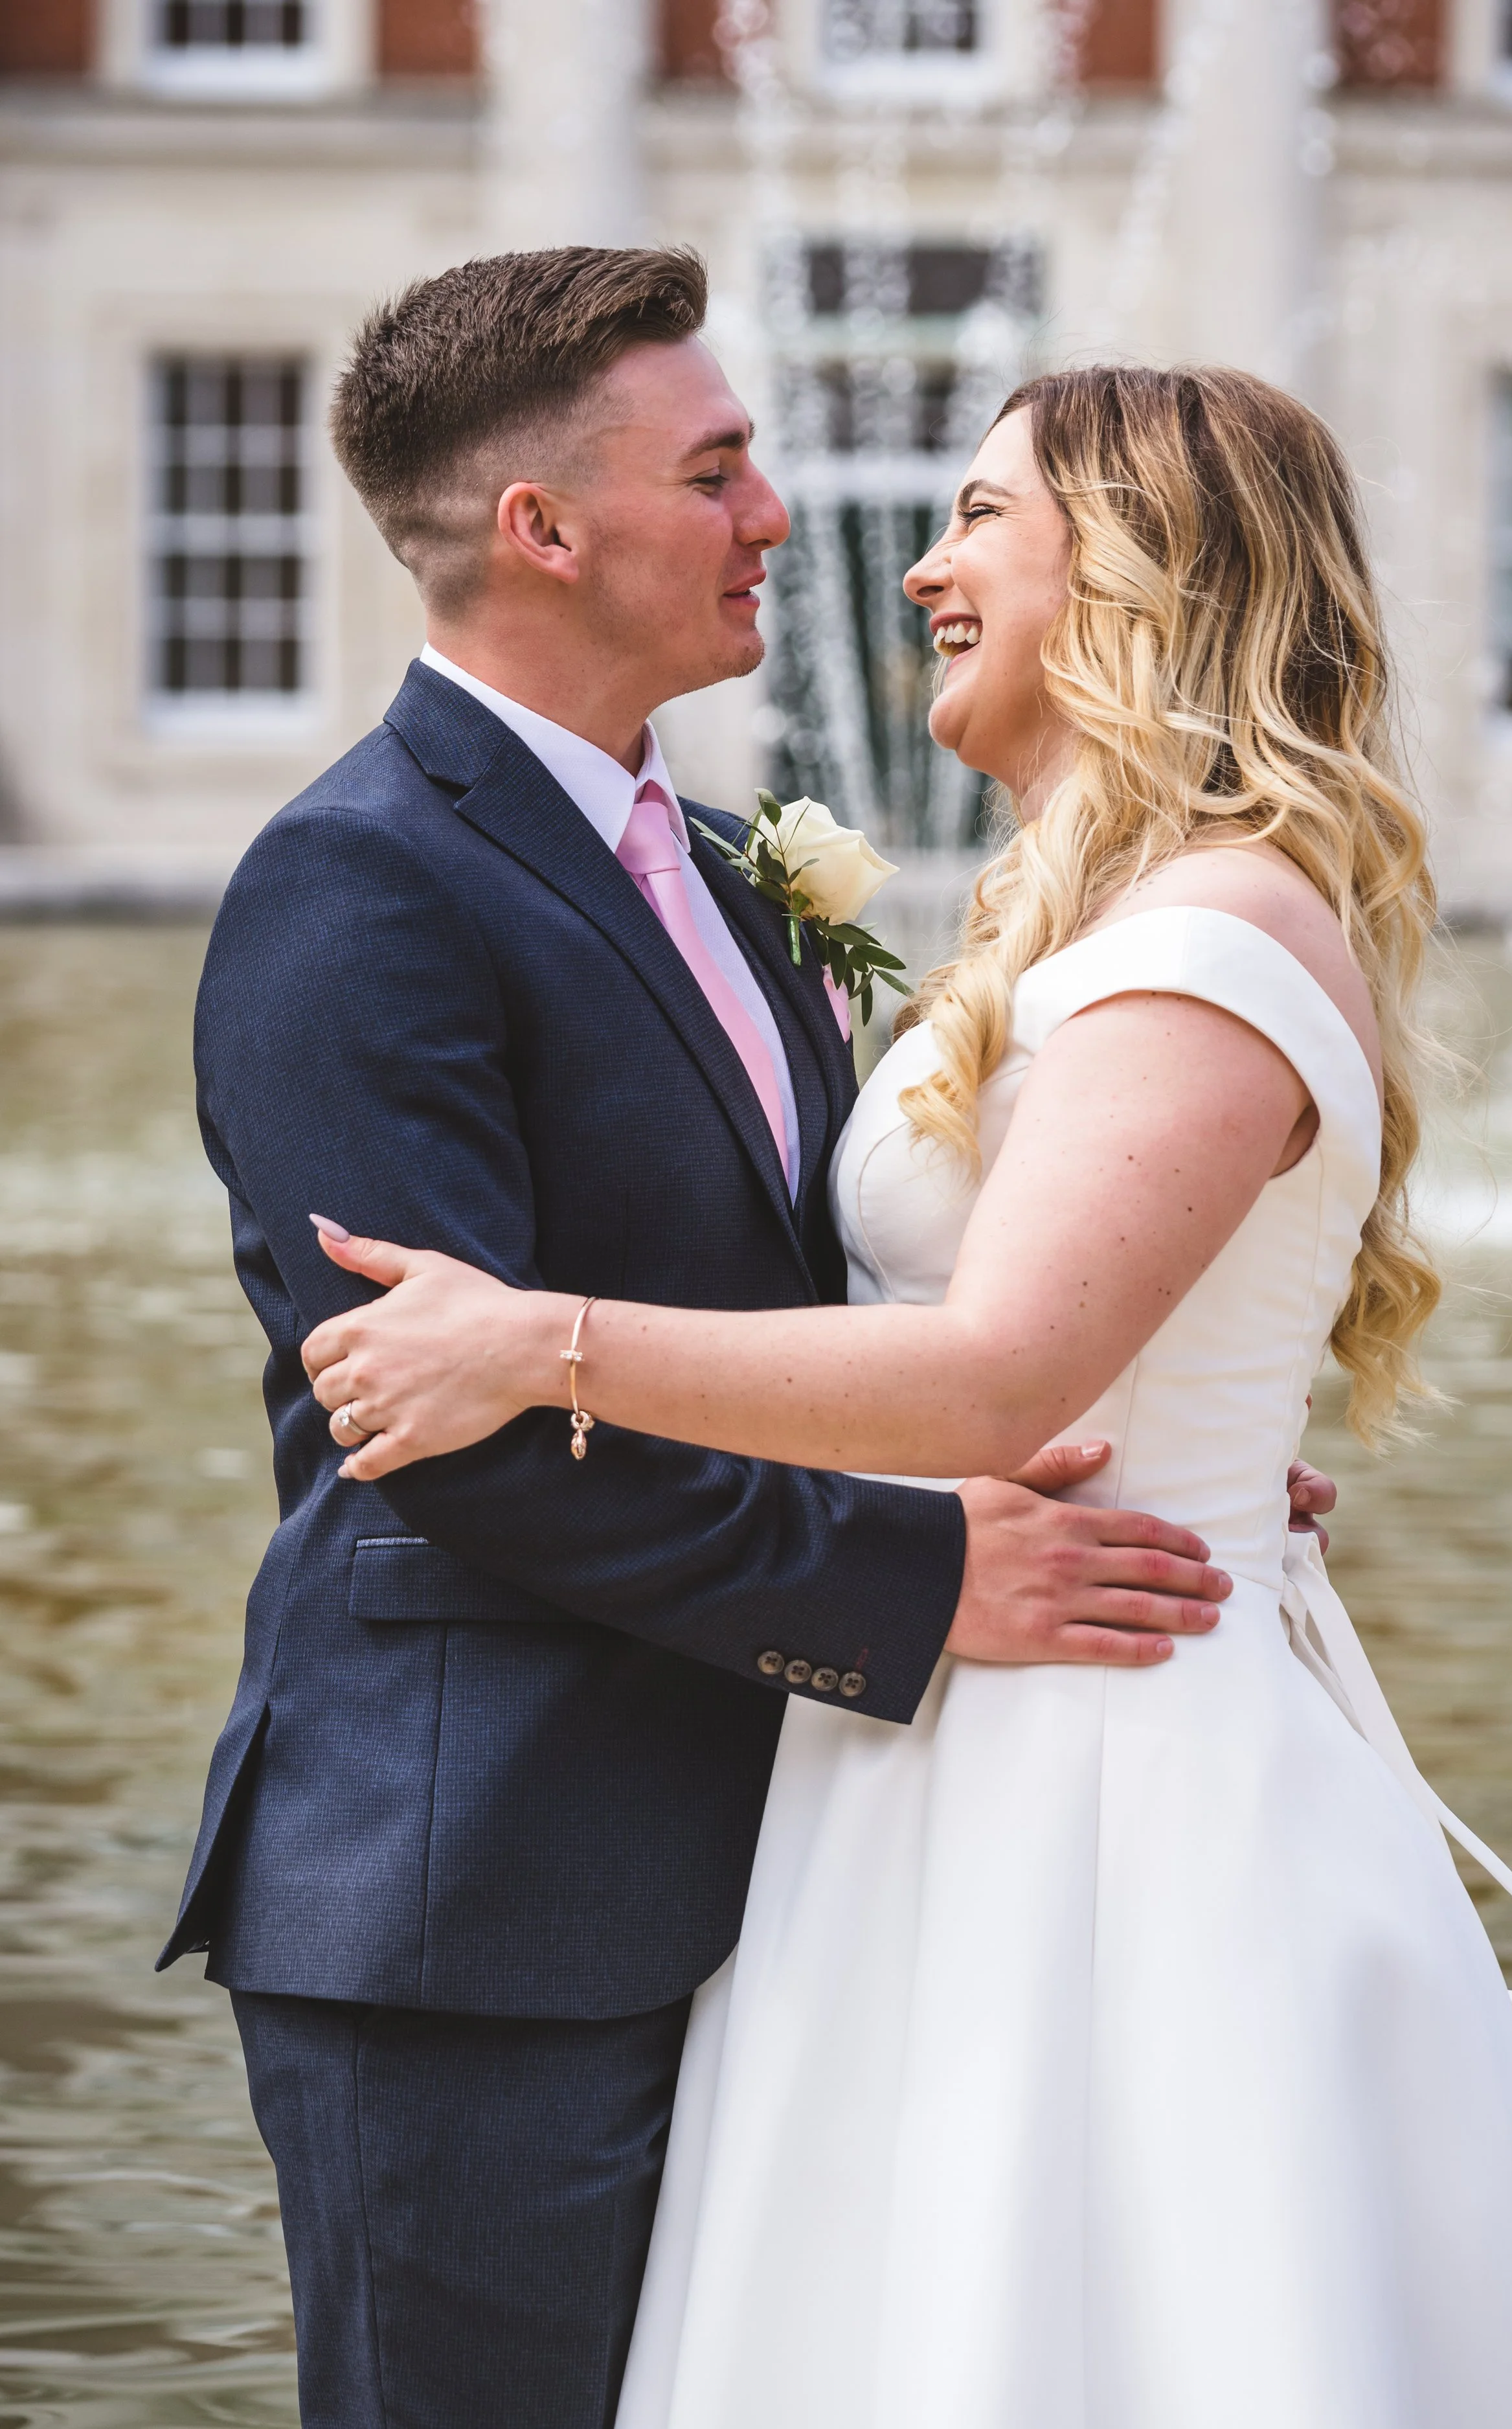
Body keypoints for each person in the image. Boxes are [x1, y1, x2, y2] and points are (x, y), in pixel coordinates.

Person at [303, 364, 1512, 2426]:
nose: (913, 563)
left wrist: (532, 1339)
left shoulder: (1210, 922)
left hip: (1105, 1762)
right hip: (939, 1712)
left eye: (982, 515)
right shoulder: (1088, 918)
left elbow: (998, 1365)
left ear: (1135, 570)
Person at [156, 251, 1327, 2429]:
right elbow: (447, 1428)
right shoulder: (358, 886)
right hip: (477, 1893)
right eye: (717, 470)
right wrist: (922, 1570)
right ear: (543, 528)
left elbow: (837, 1307)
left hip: (785, 1861)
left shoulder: (720, 863)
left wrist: (1147, 1423)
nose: (783, 516)